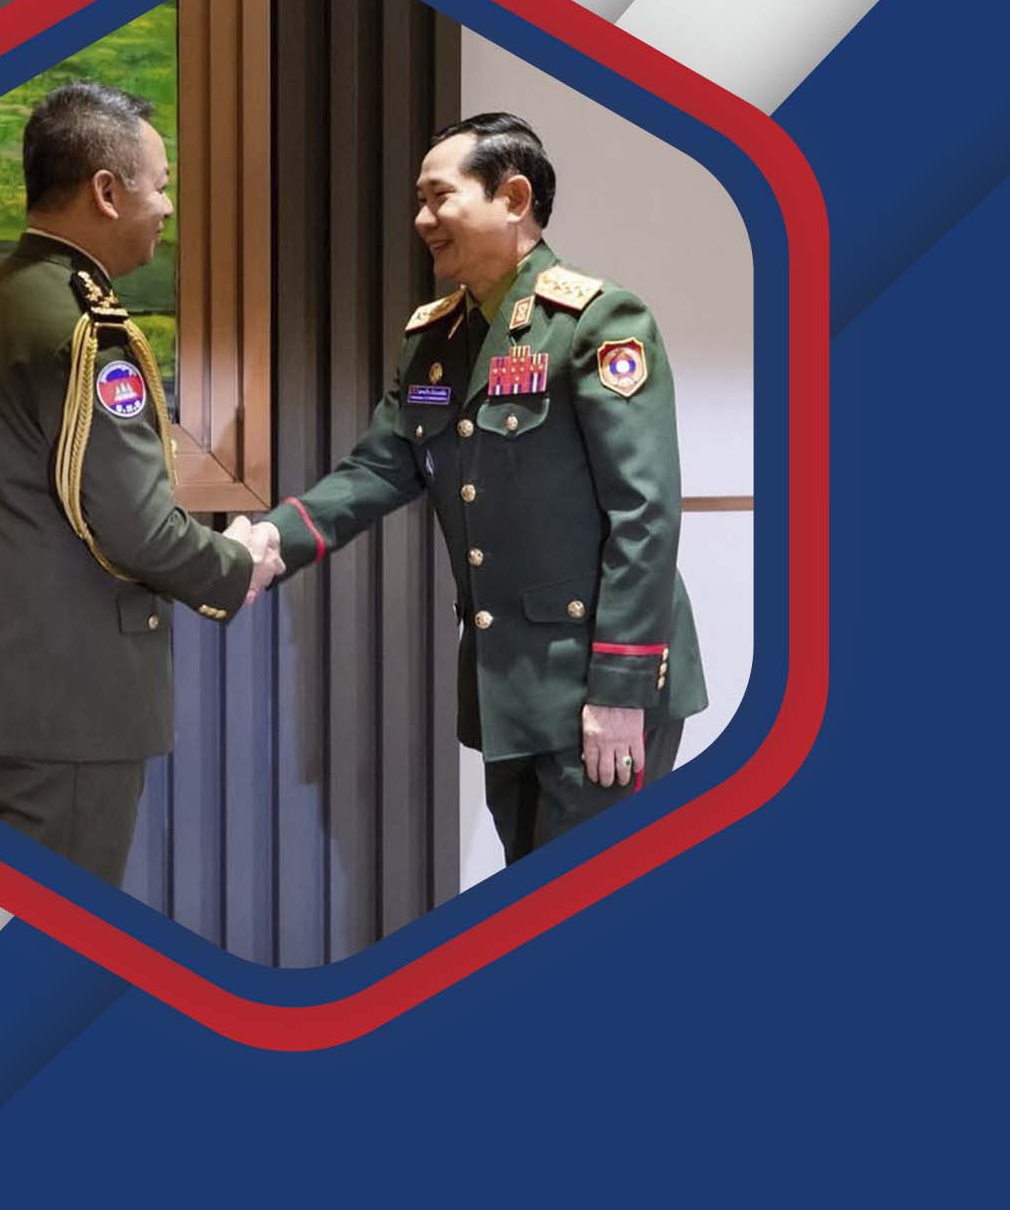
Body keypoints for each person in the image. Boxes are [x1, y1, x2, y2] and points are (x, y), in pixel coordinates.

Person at [250, 113, 702, 860]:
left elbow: (645, 514)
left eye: (440, 197)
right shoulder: (436, 338)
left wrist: (621, 691)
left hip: (598, 683)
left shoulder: (595, 322)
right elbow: (380, 467)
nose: (422, 220)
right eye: (419, 201)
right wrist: (273, 539)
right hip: (509, 690)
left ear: (513, 198)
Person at [0, 80, 273, 885]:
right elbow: (137, 528)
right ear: (106, 192)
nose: (168, 207)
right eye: (161, 185)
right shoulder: (84, 330)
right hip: (68, 704)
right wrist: (236, 565)